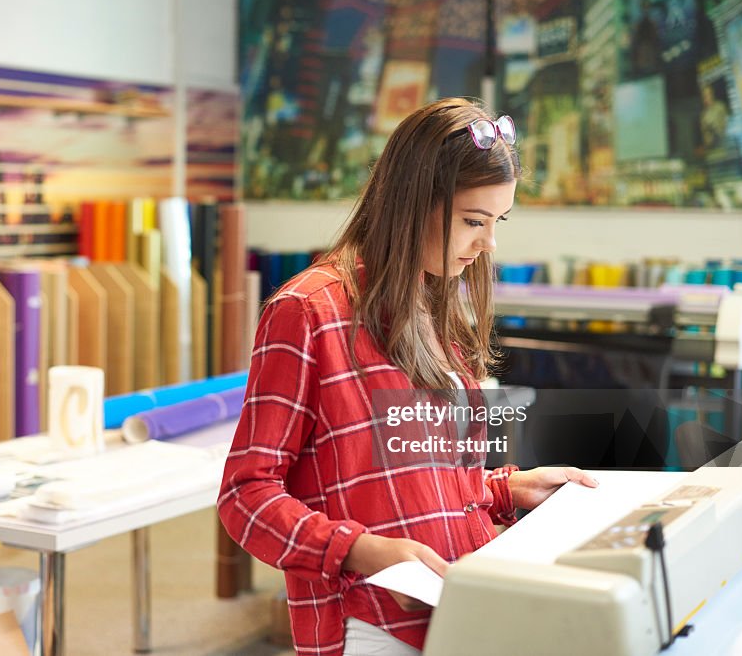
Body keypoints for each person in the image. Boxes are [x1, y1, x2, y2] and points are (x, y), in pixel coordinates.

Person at [218, 97, 597, 655]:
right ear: (410, 203)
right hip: (370, 624)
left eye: (497, 222)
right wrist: (358, 549)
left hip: (453, 611)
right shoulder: (309, 312)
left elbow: (420, 478)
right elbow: (245, 496)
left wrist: (506, 488)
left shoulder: (433, 301)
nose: (489, 243)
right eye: (473, 221)